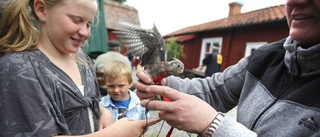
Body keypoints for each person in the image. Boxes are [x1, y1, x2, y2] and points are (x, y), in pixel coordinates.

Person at [134, 0, 320, 136]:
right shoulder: (265, 56)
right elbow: (216, 91)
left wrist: (214, 125)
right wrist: (164, 84)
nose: (296, 1)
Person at [0, 0, 159, 136]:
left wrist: (103, 111)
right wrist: (113, 133)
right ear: (42, 10)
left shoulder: (82, 60)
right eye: (76, 20)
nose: (85, 32)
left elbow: (91, 102)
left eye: (88, 24)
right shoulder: (19, 69)